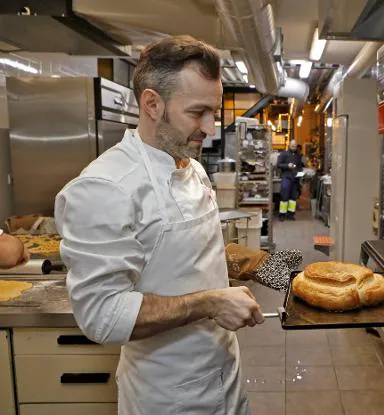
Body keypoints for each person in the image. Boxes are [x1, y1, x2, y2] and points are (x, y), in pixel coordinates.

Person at [54, 35, 264, 414]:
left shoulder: (192, 166)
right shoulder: (105, 188)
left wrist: (280, 271)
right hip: (167, 396)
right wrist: (212, 302)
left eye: (213, 113)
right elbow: (103, 316)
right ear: (152, 103)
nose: (210, 127)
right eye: (198, 113)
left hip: (225, 378)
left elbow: (191, 254)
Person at [277, 140, 303, 221]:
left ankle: (290, 215)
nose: (294, 148)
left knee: (293, 198)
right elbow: (278, 164)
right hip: (286, 178)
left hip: (295, 179)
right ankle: (282, 215)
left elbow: (299, 166)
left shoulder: (298, 155)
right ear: (289, 145)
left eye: (295, 146)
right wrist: (287, 165)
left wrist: (301, 173)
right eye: (292, 146)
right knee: (284, 197)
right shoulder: (283, 154)